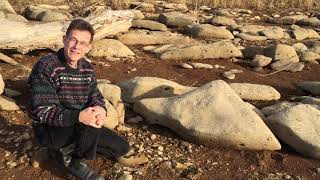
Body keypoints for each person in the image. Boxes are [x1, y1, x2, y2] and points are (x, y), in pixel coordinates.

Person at [28, 19, 130, 180]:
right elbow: (42, 111)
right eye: (73, 40)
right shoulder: (46, 67)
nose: (77, 47)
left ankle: (67, 153)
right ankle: (76, 163)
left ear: (88, 47)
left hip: (79, 123)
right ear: (64, 39)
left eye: (83, 43)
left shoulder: (87, 68)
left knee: (121, 148)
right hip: (50, 128)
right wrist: (80, 116)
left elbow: (95, 96)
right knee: (87, 124)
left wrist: (100, 110)